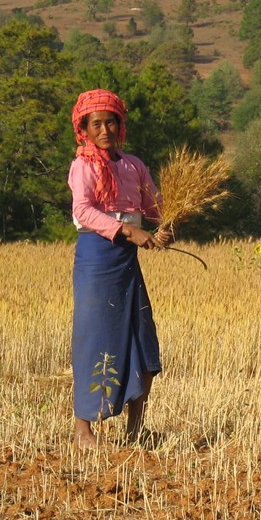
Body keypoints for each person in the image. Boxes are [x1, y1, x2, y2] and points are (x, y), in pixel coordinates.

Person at [69, 88, 171, 448]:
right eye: (96, 123)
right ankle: (84, 429)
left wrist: (164, 226)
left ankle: (135, 427)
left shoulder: (133, 166)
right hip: (97, 259)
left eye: (111, 121)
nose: (105, 129)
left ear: (120, 125)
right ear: (84, 128)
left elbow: (153, 205)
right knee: (94, 339)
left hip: (128, 262)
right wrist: (129, 230)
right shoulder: (82, 165)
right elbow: (83, 210)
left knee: (143, 341)